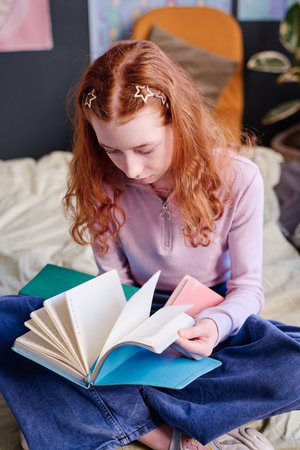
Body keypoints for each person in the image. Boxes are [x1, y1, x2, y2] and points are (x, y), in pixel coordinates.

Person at [0, 40, 300, 450]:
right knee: (10, 318)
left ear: (181, 121)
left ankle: (103, 412)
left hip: (206, 323)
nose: (131, 168)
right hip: (131, 315)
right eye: (111, 150)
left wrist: (212, 327)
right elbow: (115, 282)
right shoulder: (101, 182)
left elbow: (247, 289)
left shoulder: (240, 179)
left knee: (292, 361)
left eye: (144, 148)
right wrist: (120, 335)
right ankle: (161, 430)